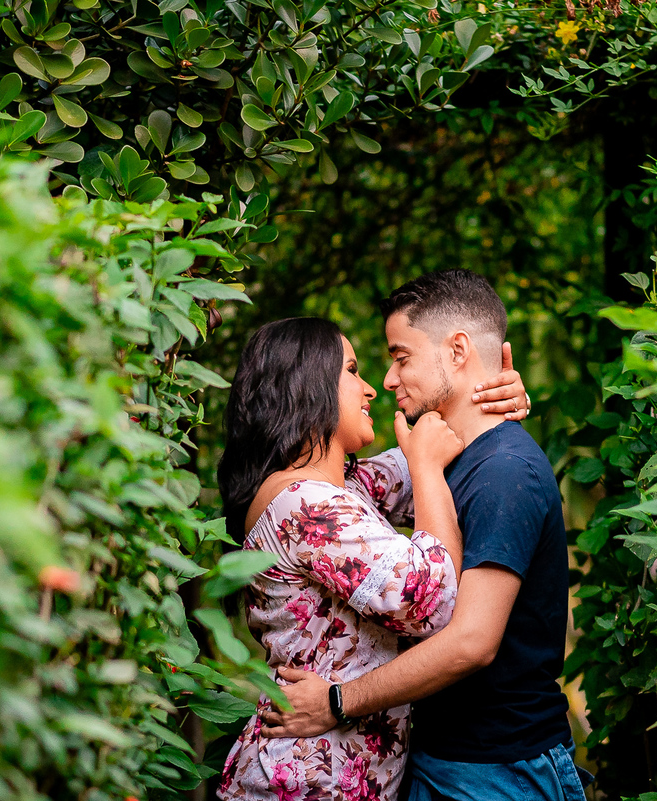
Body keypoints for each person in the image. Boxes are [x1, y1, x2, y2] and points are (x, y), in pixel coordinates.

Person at [261, 271, 590, 801]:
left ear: (457, 351)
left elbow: (470, 642)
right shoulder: (440, 462)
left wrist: (338, 701)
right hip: (443, 760)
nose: (388, 379)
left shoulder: (505, 471)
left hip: (497, 771)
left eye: (401, 356)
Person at [215, 317, 531, 800]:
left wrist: (489, 397)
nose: (370, 389)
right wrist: (426, 464)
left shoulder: (339, 489)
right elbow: (432, 602)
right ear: (310, 385)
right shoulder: (304, 506)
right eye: (352, 371)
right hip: (306, 786)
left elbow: (443, 448)